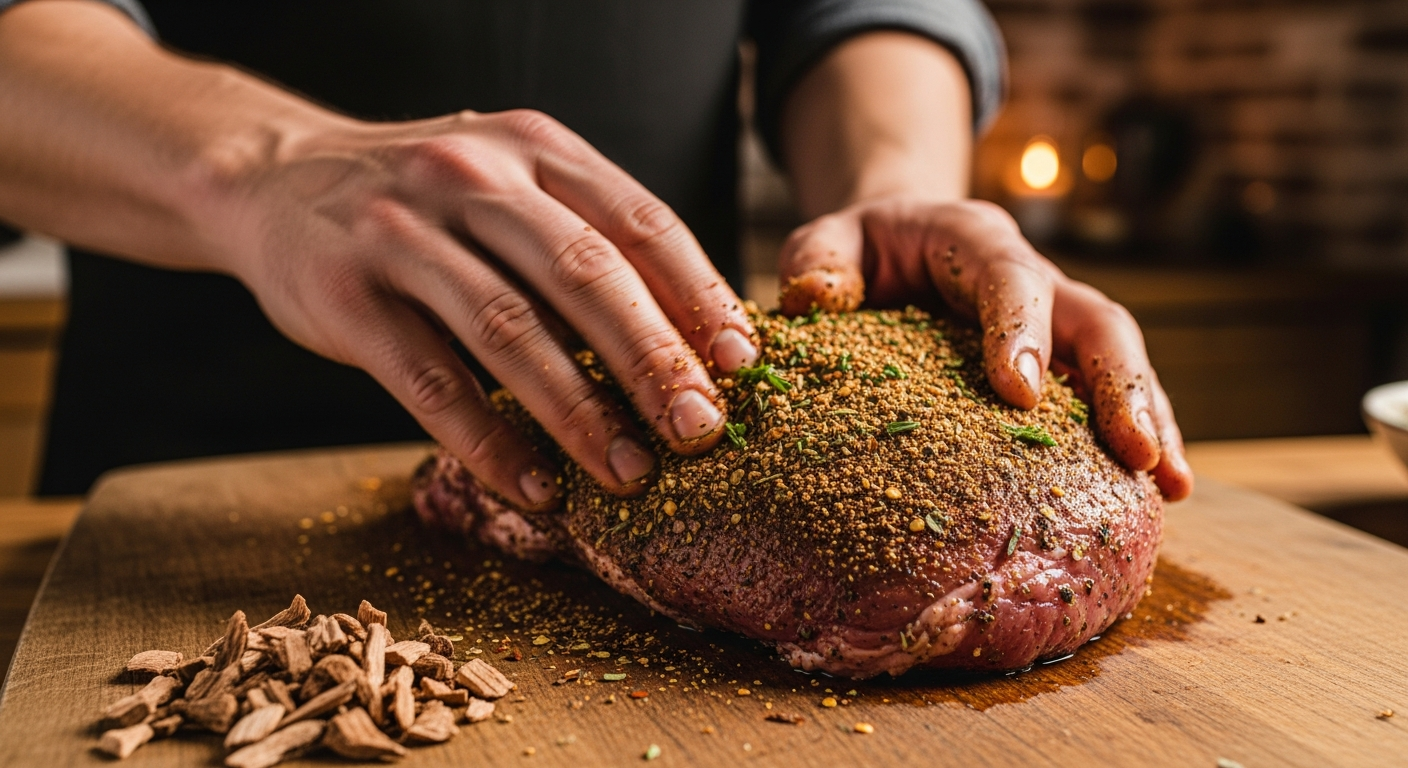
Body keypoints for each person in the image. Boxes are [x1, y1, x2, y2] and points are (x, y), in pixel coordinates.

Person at [0, 0, 1192, 506]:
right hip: (187, 485)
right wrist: (254, 167)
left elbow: (859, 8)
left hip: (671, 444)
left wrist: (894, 195)